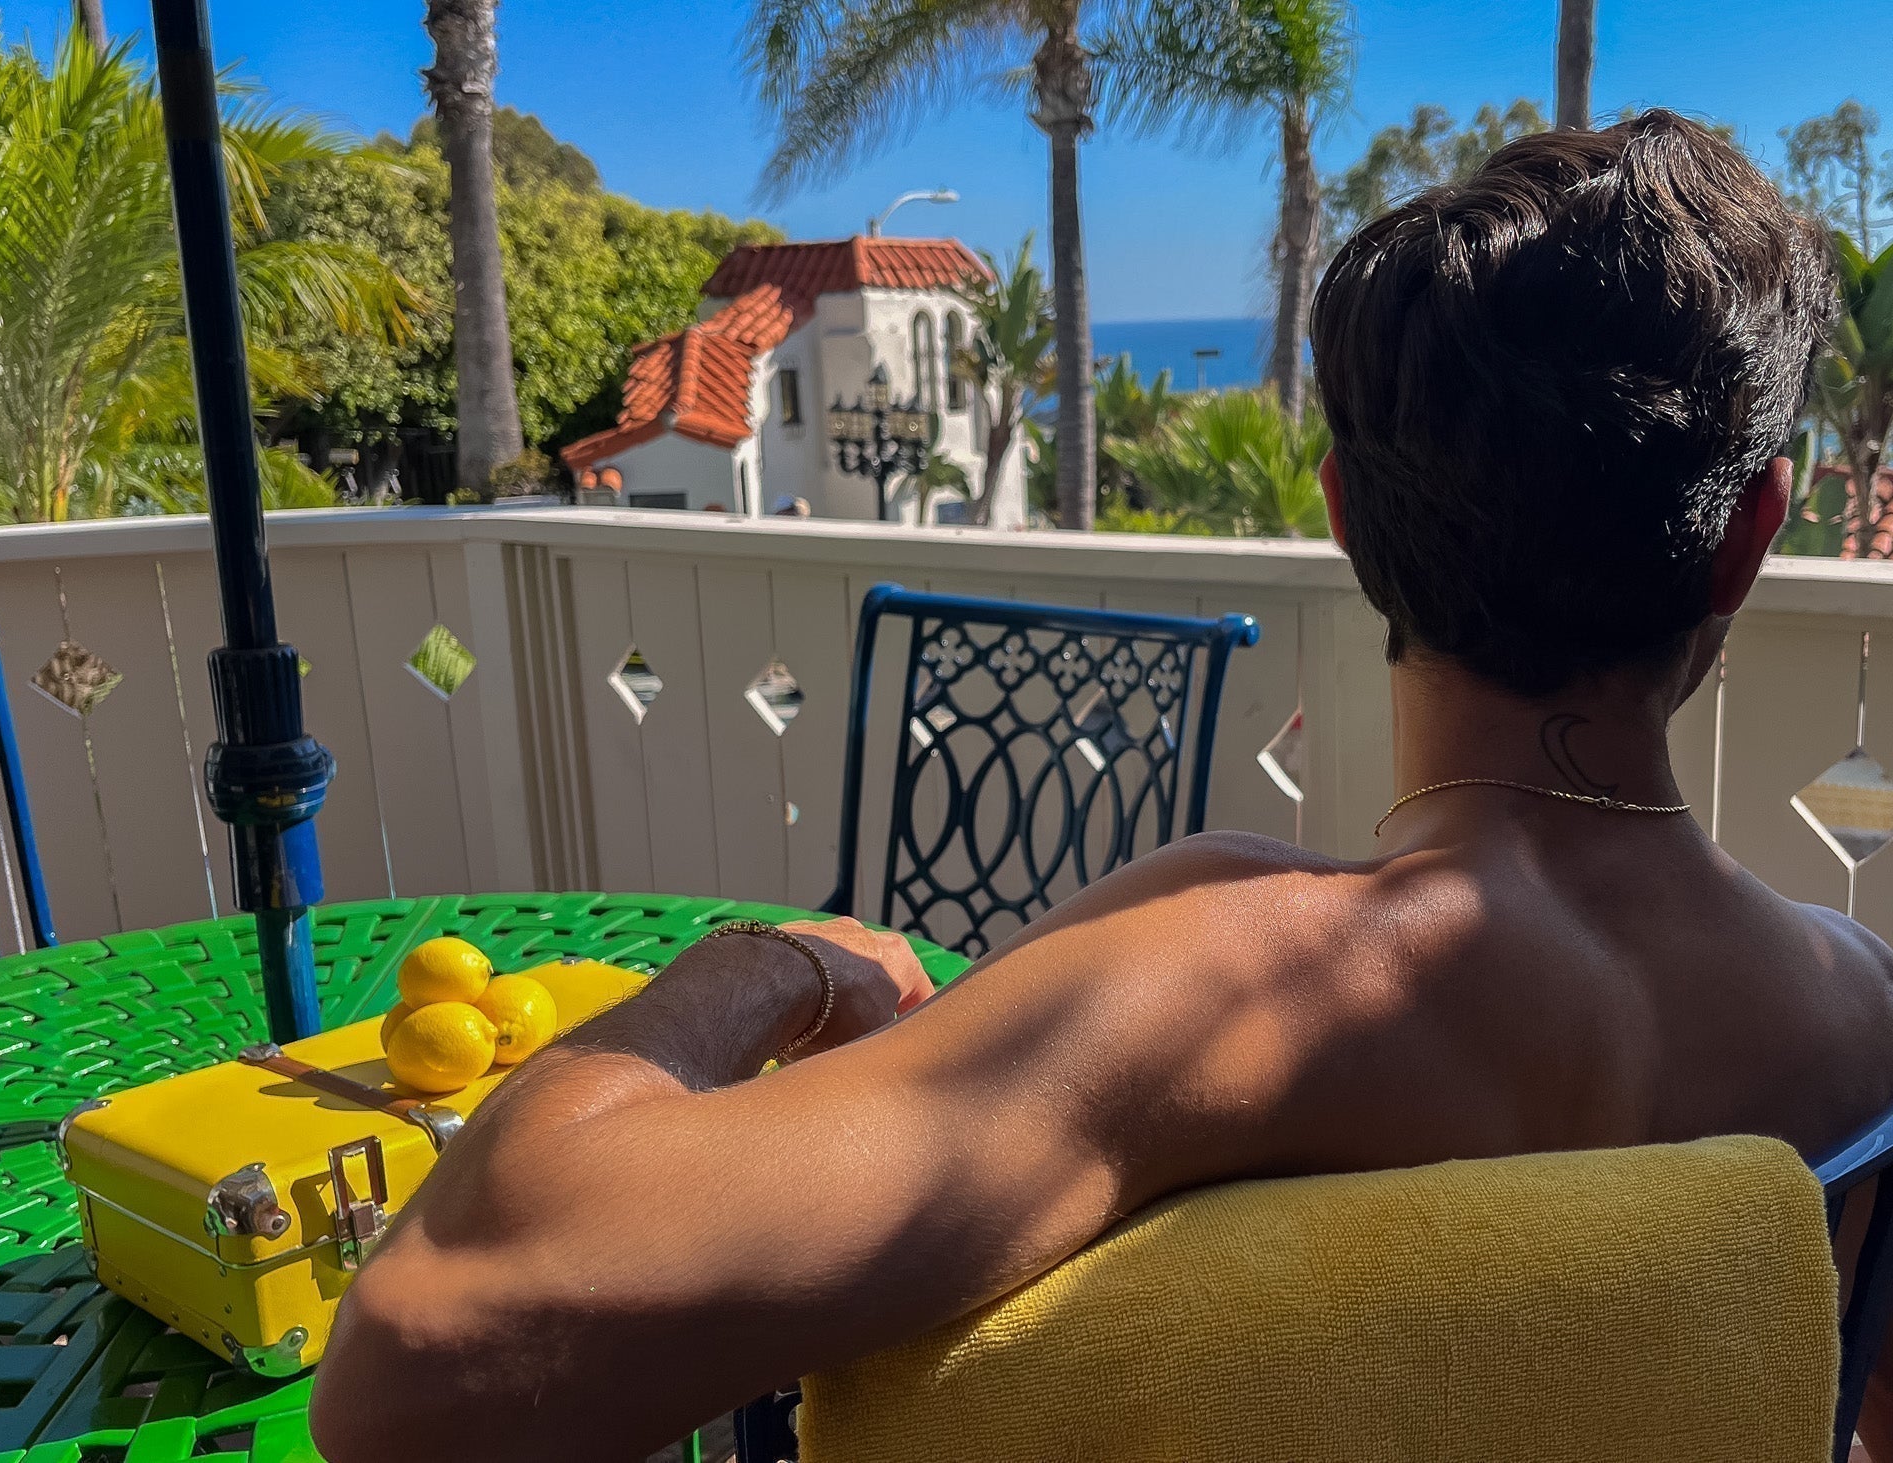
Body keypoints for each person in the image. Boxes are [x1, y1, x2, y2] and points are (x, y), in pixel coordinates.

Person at [310, 111, 1893, 1463]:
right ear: (1754, 532)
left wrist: (772, 961)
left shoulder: (1217, 987)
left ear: (1344, 514)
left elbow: (418, 1357)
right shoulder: (1862, 1015)